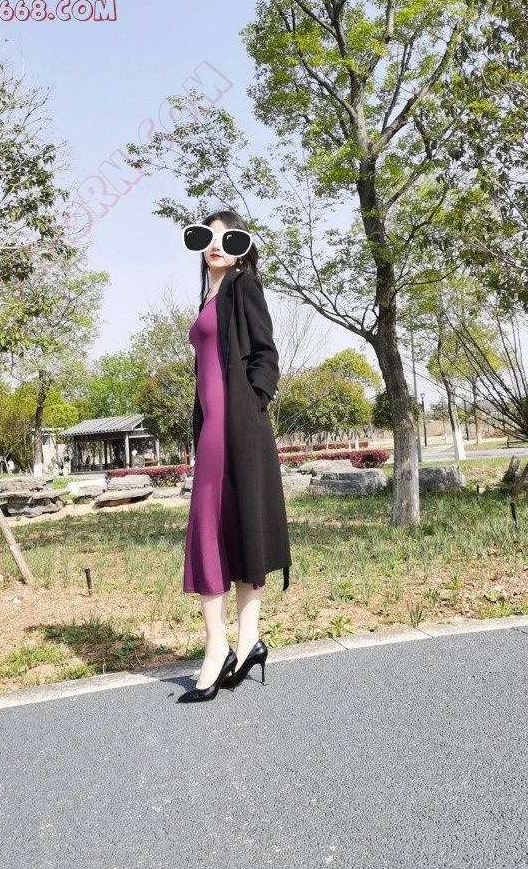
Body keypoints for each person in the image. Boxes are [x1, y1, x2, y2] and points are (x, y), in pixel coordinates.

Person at [179, 209, 292, 703]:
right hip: (213, 431)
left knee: (233, 529)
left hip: (239, 428)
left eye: (228, 239)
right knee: (217, 531)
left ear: (243, 246)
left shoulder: (243, 286)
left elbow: (266, 355)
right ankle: (230, 646)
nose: (216, 246)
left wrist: (250, 405)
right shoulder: (209, 294)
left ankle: (231, 646)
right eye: (208, 237)